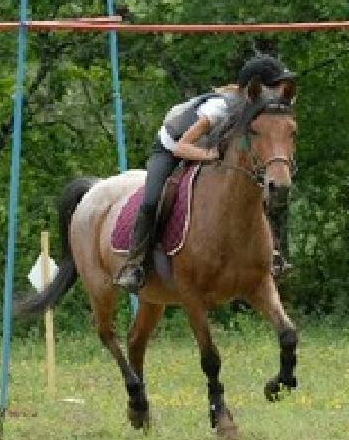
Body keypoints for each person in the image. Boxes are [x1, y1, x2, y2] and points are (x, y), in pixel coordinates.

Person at [114, 54, 297, 293]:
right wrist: (211, 156)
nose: (281, 91)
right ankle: (134, 264)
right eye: (276, 85)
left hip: (209, 149)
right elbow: (182, 147)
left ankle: (270, 252)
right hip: (172, 148)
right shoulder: (220, 108)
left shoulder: (262, 114)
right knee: (152, 200)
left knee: (253, 189)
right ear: (257, 88)